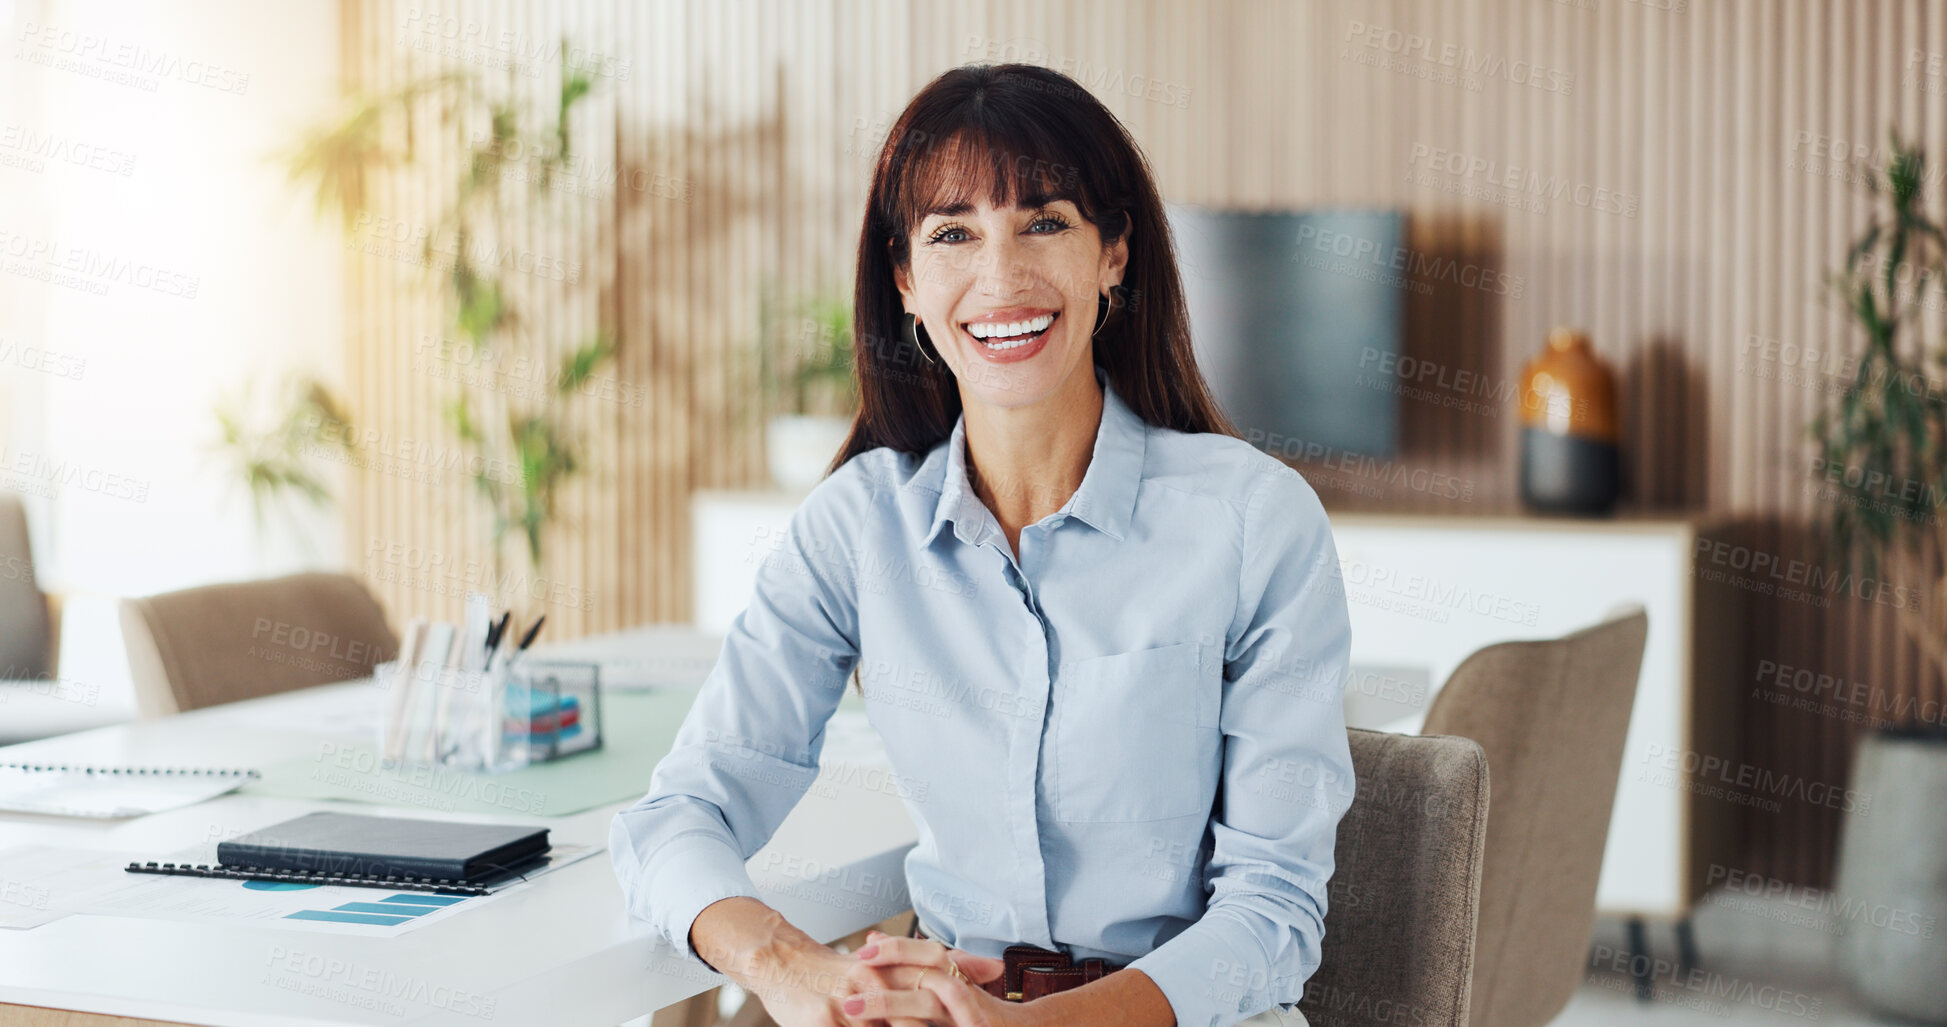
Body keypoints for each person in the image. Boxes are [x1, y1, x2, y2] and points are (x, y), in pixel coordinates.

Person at [612, 62, 1352, 1027]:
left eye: (1044, 221)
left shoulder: (1254, 521)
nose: (1000, 278)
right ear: (908, 281)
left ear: (1114, 252)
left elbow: (1273, 913)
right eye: (953, 234)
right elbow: (678, 817)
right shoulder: (858, 524)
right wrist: (794, 969)